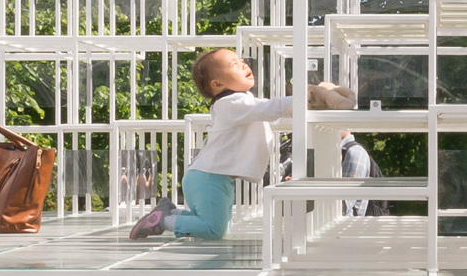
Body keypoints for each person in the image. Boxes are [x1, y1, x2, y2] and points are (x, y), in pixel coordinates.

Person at [129, 49, 354, 239]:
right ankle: (164, 222)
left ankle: (169, 213)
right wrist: (308, 97)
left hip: (213, 177)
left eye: (242, 61)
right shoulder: (231, 103)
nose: (244, 64)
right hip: (208, 177)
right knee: (213, 229)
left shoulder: (241, 104)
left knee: (219, 227)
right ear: (217, 84)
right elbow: (271, 108)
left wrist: (304, 108)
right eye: (235, 64)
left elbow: (271, 113)